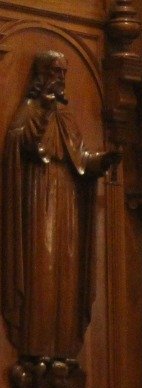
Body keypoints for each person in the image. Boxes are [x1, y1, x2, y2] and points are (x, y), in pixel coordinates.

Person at [1, 50, 118, 362]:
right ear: (42, 75)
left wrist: (102, 161)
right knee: (41, 266)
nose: (61, 78)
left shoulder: (66, 118)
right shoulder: (29, 110)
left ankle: (61, 343)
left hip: (66, 203)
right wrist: (42, 114)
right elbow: (21, 142)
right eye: (55, 71)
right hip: (37, 199)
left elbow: (80, 158)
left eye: (64, 73)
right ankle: (36, 340)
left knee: (64, 272)